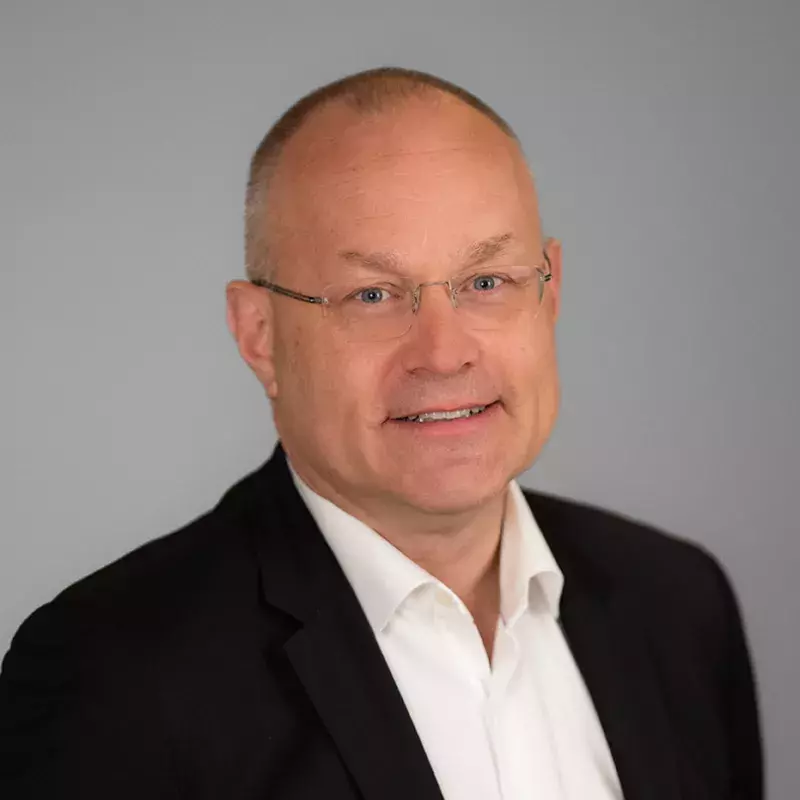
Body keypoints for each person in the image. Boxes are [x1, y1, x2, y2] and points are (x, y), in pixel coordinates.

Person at [0, 67, 762, 800]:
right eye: (372, 294)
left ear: (549, 292)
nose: (444, 351)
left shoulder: (677, 607)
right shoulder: (113, 674)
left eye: (487, 282)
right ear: (259, 335)